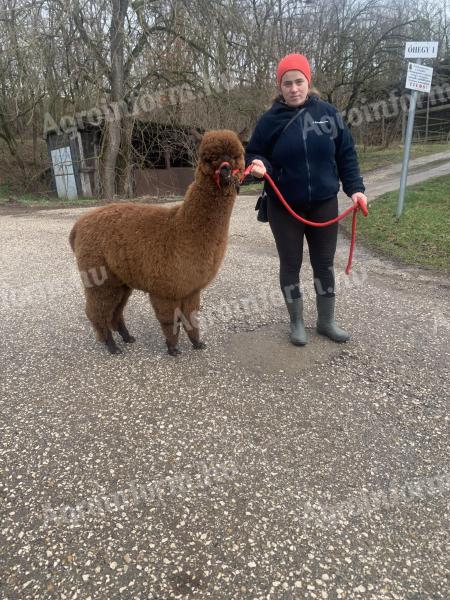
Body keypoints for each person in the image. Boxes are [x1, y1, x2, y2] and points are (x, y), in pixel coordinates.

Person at [245, 53, 368, 346]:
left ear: (308, 82)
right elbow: (253, 153)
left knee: (323, 264)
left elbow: (346, 155)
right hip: (284, 205)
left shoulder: (328, 114)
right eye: (287, 83)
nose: (294, 88)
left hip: (324, 202)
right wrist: (258, 165)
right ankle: (296, 322)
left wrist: (356, 189)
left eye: (299, 81)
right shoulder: (269, 121)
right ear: (280, 86)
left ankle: (326, 321)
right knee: (290, 264)